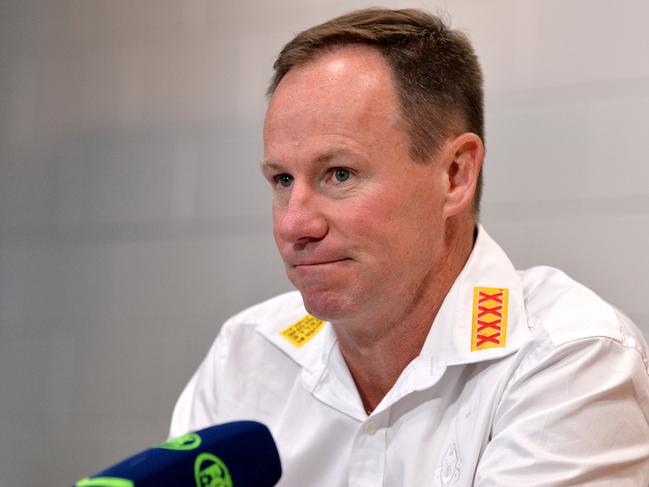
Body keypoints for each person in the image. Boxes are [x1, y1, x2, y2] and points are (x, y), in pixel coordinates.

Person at [170, 8, 649, 486]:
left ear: (455, 175)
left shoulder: (568, 358)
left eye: (340, 174)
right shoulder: (248, 352)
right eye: (281, 179)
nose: (295, 223)